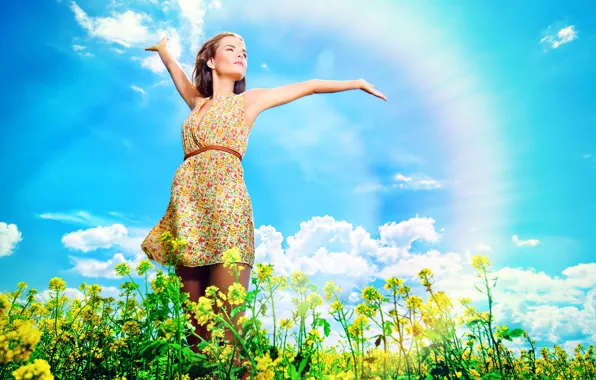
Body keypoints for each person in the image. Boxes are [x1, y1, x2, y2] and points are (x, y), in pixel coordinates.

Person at [141, 31, 386, 371]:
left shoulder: (249, 101)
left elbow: (310, 85)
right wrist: (164, 49)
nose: (241, 55)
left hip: (228, 209)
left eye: (244, 51)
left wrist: (357, 82)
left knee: (229, 323)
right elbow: (177, 74)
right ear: (211, 61)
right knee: (195, 332)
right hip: (188, 210)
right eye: (231, 49)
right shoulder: (197, 103)